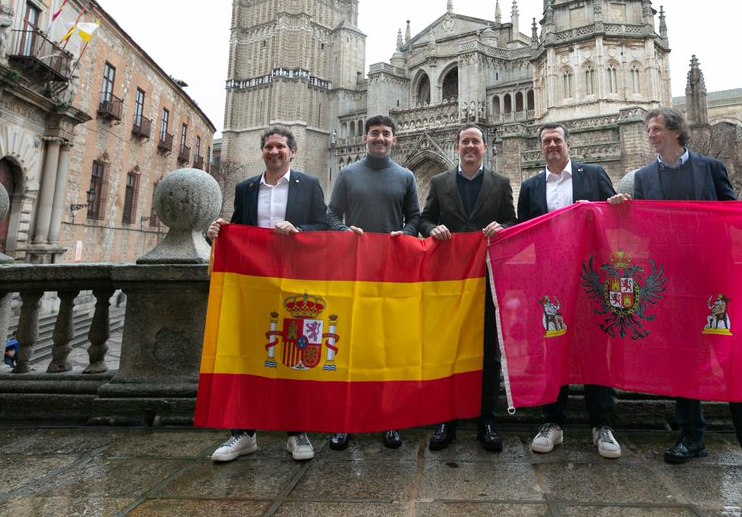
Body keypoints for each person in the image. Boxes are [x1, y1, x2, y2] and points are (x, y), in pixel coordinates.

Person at [621, 107, 742, 481]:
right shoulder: (643, 178)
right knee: (683, 362)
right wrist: (622, 212)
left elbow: (733, 213)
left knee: (734, 359)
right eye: (648, 130)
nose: (651, 135)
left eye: (656, 129)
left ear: (675, 131)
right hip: (673, 284)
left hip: (715, 282)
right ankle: (692, 437)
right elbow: (642, 231)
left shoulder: (710, 169)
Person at [205, 126, 338, 463]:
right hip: (255, 286)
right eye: (269, 147)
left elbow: (323, 226)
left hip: (296, 284)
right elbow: (237, 229)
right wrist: (217, 234)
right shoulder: (246, 188)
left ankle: (297, 432)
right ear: (262, 151)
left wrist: (298, 230)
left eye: (280, 147)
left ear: (292, 152)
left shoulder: (307, 185)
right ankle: (244, 434)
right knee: (250, 356)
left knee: (296, 355)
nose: (274, 152)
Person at [517, 123, 625, 459]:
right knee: (553, 348)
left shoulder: (593, 175)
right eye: (546, 141)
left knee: (596, 348)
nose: (552, 145)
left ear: (569, 143)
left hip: (592, 278)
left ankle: (602, 425)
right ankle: (552, 423)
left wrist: (604, 209)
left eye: (557, 140)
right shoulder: (531, 186)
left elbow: (615, 221)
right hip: (551, 280)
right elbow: (524, 233)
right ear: (540, 147)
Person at [326, 114, 421, 451]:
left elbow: (415, 217)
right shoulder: (348, 174)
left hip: (391, 273)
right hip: (354, 270)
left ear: (394, 140)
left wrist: (404, 235)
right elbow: (331, 213)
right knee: (351, 344)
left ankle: (388, 420)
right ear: (366, 138)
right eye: (375, 133)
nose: (380, 138)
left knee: (388, 346)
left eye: (386, 134)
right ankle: (345, 421)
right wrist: (343, 232)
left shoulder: (406, 176)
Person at [419, 123, 515, 453]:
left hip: (487, 278)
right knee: (449, 349)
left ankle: (487, 419)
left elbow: (513, 221)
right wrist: (434, 229)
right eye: (465, 142)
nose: (470, 147)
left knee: (489, 351)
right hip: (450, 280)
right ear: (456, 146)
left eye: (475, 141)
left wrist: (502, 226)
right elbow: (424, 219)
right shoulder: (440, 182)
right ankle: (447, 418)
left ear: (485, 147)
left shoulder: (500, 183)